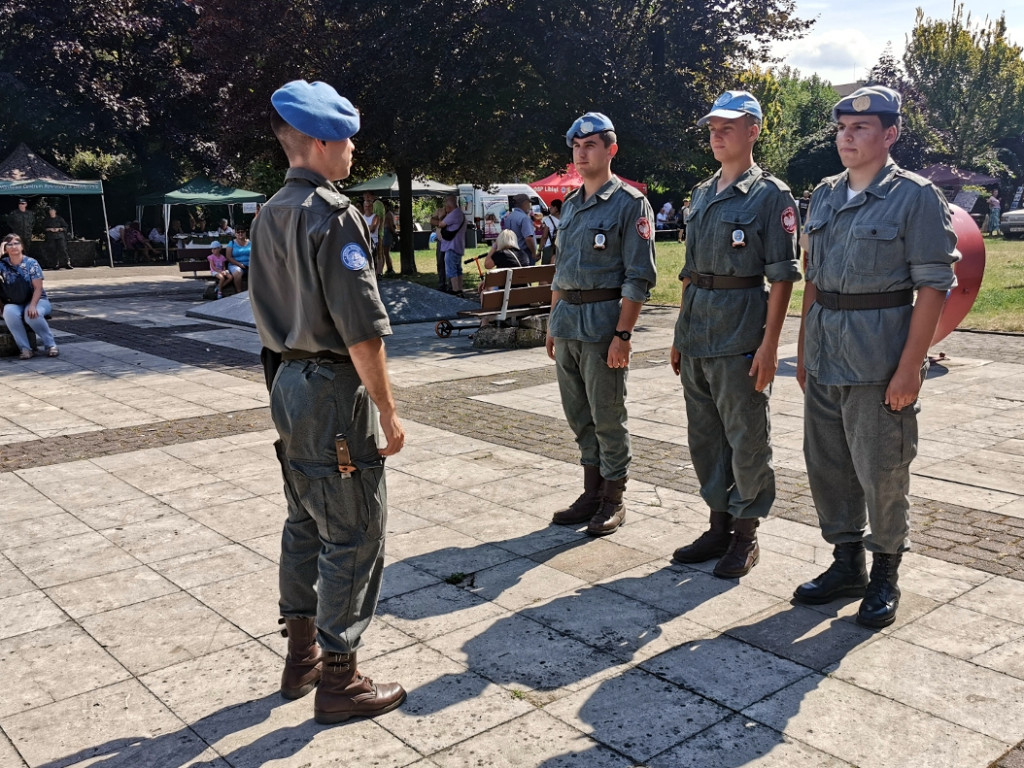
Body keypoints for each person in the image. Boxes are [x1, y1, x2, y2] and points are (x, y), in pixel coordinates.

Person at [249, 79, 406, 723]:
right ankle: (340, 679)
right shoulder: (332, 215)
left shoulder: (268, 213)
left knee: (304, 521)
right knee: (354, 529)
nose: (350, 154)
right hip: (333, 390)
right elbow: (361, 330)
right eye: (344, 141)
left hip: (286, 381)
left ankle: (302, 655)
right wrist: (388, 411)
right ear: (317, 142)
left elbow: (265, 315)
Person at [792, 85, 959, 628]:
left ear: (890, 135)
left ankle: (885, 570)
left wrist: (911, 367)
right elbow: (812, 276)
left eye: (861, 128)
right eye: (842, 127)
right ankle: (847, 563)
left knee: (882, 469)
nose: (847, 136)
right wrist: (801, 347)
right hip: (825, 352)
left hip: (878, 359)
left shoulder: (915, 196)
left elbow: (934, 285)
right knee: (829, 468)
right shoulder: (823, 194)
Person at [669, 90, 801, 579]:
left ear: (754, 130)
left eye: (728, 125)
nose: (717, 134)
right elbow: (688, 271)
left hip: (741, 331)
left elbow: (784, 275)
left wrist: (770, 346)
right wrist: (680, 334)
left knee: (746, 437)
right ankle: (717, 523)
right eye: (712, 127)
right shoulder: (702, 193)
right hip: (699, 331)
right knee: (704, 438)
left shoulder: (771, 195)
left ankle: (746, 533)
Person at [546, 112, 657, 536]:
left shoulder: (630, 204)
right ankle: (591, 491)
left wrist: (623, 335)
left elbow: (639, 276)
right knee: (579, 415)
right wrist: (553, 322)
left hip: (602, 325)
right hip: (569, 322)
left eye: (590, 145)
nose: (581, 152)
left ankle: (613, 497)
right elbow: (561, 270)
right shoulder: (572, 205)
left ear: (610, 150)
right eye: (576, 146)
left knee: (608, 415)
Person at [1, 234, 58, 359]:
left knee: (31, 314)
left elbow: (38, 288)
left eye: (16, 243)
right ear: (5, 248)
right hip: (15, 301)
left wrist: (32, 306)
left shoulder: (31, 263)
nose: (13, 246)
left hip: (37, 300)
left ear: (22, 246)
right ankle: (25, 348)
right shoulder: (2, 264)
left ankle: (50, 344)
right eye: (9, 244)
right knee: (9, 312)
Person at [439, 193, 467, 294]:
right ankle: (459, 289)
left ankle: (455, 290)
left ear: (449, 205)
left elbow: (441, 224)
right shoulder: (460, 213)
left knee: (451, 269)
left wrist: (442, 215)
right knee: (458, 269)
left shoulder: (454, 214)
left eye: (446, 204)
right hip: (458, 246)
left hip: (452, 246)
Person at [503, 194, 537, 265]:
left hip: (511, 253)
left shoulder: (508, 217)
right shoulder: (524, 218)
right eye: (529, 203)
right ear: (524, 203)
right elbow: (528, 238)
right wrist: (534, 253)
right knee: (528, 275)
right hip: (525, 253)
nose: (530, 206)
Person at [225, 226, 251, 294]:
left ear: (245, 233)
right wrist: (239, 264)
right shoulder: (232, 243)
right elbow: (228, 257)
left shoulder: (251, 243)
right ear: (235, 234)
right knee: (238, 272)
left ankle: (256, 293)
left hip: (249, 265)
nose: (240, 233)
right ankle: (239, 292)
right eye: (238, 232)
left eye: (242, 231)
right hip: (235, 264)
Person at [361, 199, 380, 274]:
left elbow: (372, 229)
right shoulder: (361, 217)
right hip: (364, 241)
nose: (367, 208)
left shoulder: (375, 217)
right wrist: (368, 227)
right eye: (366, 206)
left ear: (372, 207)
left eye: (369, 206)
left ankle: (374, 274)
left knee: (373, 259)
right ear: (364, 207)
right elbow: (359, 229)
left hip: (373, 241)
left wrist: (365, 227)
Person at [541, 199, 561, 264]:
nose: (550, 208)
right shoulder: (565, 219)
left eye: (551, 207)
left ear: (556, 208)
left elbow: (544, 236)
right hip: (561, 247)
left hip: (549, 247)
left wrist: (539, 249)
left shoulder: (548, 220)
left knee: (545, 269)